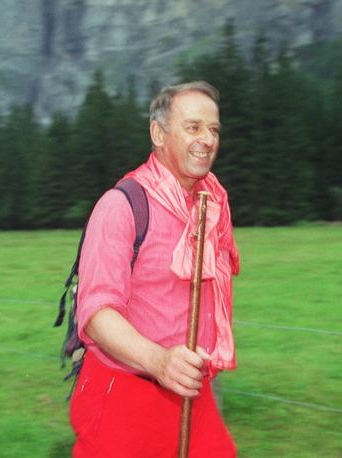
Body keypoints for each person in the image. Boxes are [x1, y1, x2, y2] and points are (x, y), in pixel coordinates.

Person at [70, 81, 240, 457]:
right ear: (158, 133)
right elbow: (97, 313)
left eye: (213, 130)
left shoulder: (212, 206)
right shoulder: (121, 206)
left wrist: (178, 368)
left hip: (192, 394)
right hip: (125, 393)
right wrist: (160, 361)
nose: (207, 139)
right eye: (193, 127)